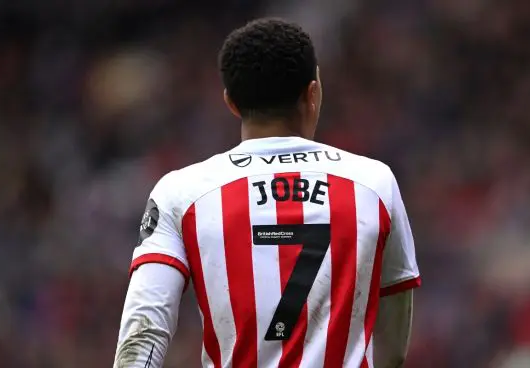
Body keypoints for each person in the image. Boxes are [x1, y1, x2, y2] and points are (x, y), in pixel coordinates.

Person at [114, 17, 421, 368]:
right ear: (313, 93)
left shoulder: (182, 193)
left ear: (230, 102)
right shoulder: (373, 183)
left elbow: (145, 328)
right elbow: (392, 345)